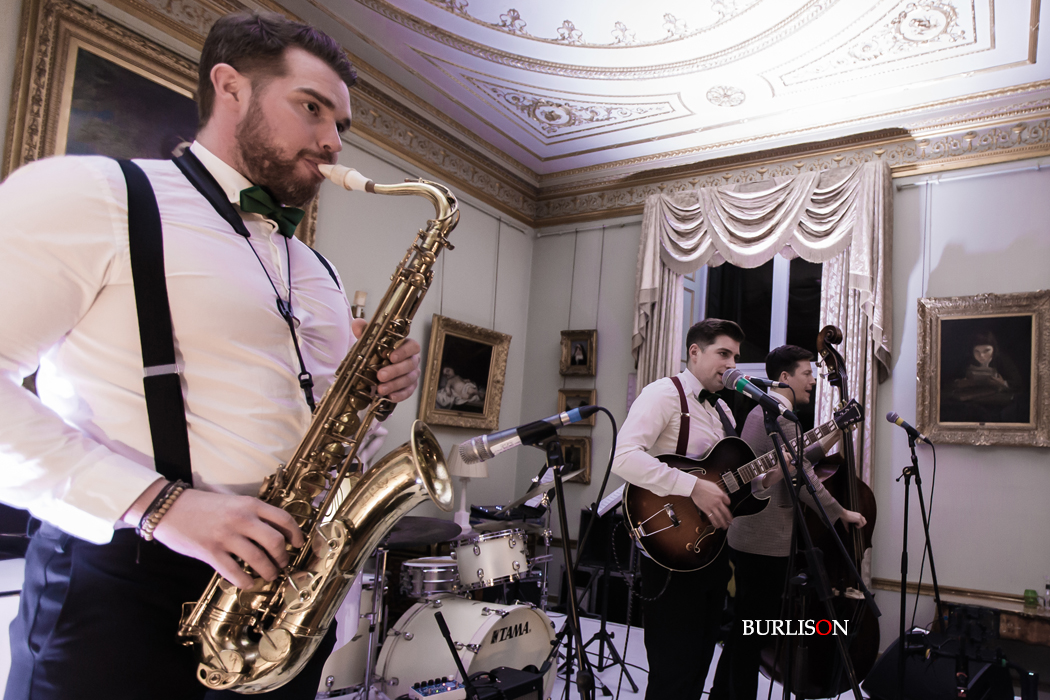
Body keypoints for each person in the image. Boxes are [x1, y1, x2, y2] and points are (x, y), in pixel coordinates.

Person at [0, 12, 422, 700]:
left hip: (282, 600)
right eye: (311, 108)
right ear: (230, 87)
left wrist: (374, 391)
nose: (332, 141)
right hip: (125, 585)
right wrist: (160, 506)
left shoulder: (315, 269)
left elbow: (324, 430)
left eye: (340, 124)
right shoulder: (92, 193)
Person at [723, 345, 867, 699]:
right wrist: (840, 512)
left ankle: (722, 693)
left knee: (746, 628)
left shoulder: (773, 413)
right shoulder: (777, 416)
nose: (813, 381)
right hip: (763, 539)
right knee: (753, 631)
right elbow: (802, 477)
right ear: (784, 377)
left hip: (755, 537)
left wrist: (836, 431)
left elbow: (801, 457)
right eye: (806, 373)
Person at [612, 318, 741, 700]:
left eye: (735, 356)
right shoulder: (663, 394)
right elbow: (624, 457)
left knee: (700, 663)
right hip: (670, 549)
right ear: (694, 352)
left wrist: (766, 479)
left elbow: (724, 480)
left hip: (712, 551)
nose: (731, 364)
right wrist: (692, 486)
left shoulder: (723, 411)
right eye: (723, 353)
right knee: (674, 671)